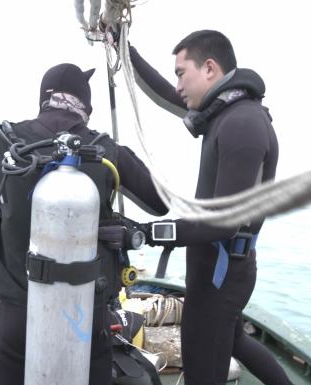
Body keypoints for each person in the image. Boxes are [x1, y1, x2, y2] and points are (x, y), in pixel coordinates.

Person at [0, 63, 168, 385]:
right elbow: (159, 203)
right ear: (86, 105)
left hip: (15, 317)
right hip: (84, 319)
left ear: (43, 99)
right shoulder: (105, 151)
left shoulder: (5, 143)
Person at [126, 30, 294, 385]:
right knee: (234, 342)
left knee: (203, 370)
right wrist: (125, 49)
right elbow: (163, 95)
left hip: (221, 272)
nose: (178, 85)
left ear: (210, 69)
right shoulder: (223, 115)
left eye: (181, 73)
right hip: (218, 266)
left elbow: (223, 223)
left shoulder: (243, 124)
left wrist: (148, 232)